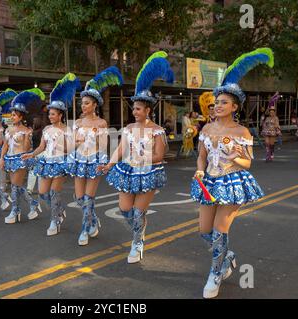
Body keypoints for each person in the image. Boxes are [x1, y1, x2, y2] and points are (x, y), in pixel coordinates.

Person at [191, 48, 272, 299]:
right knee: (204, 231)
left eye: (224, 102)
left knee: (219, 231)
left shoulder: (242, 132)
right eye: (216, 102)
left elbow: (247, 163)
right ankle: (227, 256)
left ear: (234, 106)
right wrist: (199, 170)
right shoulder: (206, 129)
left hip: (233, 182)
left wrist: (233, 155)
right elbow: (202, 155)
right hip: (210, 182)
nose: (217, 106)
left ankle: (215, 273)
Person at [99, 51, 173, 264]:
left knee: (139, 212)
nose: (135, 112)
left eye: (139, 109)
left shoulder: (157, 130)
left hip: (148, 172)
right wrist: (109, 164)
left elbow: (160, 155)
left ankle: (137, 242)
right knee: (124, 210)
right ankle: (139, 232)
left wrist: (143, 158)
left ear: (148, 110)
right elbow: (121, 149)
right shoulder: (129, 128)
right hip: (128, 171)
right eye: (134, 108)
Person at [66, 66, 123, 246]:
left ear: (95, 105)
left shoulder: (101, 122)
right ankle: (93, 219)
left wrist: (97, 136)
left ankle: (84, 230)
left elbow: (105, 145)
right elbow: (71, 143)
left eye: (87, 103)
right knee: (78, 197)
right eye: (82, 103)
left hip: (95, 160)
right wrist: (79, 140)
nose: (83, 106)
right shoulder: (77, 122)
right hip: (79, 159)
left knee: (89, 198)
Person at [23, 73, 79, 236]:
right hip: (47, 163)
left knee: (54, 192)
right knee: (42, 193)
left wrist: (77, 143)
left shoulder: (67, 130)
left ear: (60, 115)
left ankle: (55, 221)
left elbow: (69, 149)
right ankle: (59, 209)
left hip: (61, 163)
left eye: (53, 114)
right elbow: (42, 146)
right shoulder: (47, 130)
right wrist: (31, 154)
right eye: (49, 114)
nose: (50, 116)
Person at [0, 89, 45, 224]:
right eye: (11, 115)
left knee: (15, 186)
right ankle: (33, 203)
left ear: (21, 117)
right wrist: (2, 158)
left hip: (20, 159)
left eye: (14, 115)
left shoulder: (27, 131)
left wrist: (27, 136)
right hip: (9, 159)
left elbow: (26, 149)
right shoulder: (8, 130)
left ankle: (16, 211)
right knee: (18, 186)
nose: (12, 117)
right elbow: (5, 146)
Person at [261, 92, 282, 162]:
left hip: (273, 131)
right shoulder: (266, 118)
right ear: (269, 112)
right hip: (267, 131)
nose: (271, 113)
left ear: (274, 112)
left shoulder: (276, 118)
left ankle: (272, 154)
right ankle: (268, 155)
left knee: (271, 144)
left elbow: (277, 124)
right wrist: (262, 123)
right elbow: (263, 124)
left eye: (273, 112)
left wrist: (277, 129)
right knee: (267, 143)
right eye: (270, 112)